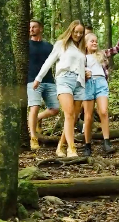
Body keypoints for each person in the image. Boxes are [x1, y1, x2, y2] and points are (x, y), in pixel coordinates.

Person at [33, 20, 87, 158]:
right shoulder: (61, 44)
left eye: (81, 32)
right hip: (65, 80)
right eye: (76, 32)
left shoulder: (81, 48)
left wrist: (86, 71)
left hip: (80, 83)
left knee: (74, 118)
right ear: (71, 31)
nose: (78, 34)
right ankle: (71, 148)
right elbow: (49, 62)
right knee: (69, 114)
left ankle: (60, 147)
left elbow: (80, 64)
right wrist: (38, 78)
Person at [81, 26, 119, 156]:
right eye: (92, 41)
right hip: (88, 85)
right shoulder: (81, 57)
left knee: (104, 111)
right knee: (88, 117)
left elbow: (117, 49)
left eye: (96, 41)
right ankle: (87, 145)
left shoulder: (101, 54)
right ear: (85, 44)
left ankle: (106, 142)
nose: (95, 43)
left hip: (101, 83)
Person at [27, 19, 60, 150]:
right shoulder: (25, 45)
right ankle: (33, 138)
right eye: (30, 28)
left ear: (40, 29)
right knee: (34, 107)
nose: (31, 30)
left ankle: (38, 118)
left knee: (55, 109)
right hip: (32, 81)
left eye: (34, 27)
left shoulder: (49, 46)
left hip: (49, 81)